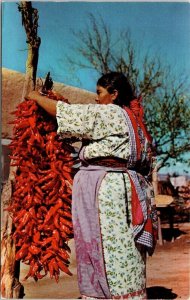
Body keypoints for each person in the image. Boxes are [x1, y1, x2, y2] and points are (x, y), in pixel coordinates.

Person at [27, 72, 157, 300]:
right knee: (125, 246)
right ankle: (130, 293)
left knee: (106, 244)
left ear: (114, 94)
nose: (97, 99)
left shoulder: (111, 112)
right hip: (127, 188)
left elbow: (64, 113)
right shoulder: (134, 119)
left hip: (108, 190)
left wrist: (34, 96)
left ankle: (106, 294)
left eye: (100, 92)